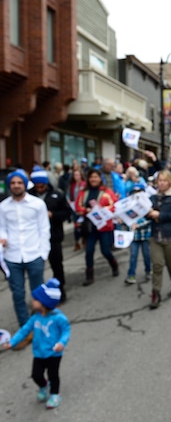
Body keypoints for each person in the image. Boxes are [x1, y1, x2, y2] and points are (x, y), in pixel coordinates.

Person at [3, 278, 70, 410]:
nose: (32, 301)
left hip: (54, 353)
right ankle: (43, 386)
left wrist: (61, 343)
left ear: (45, 303)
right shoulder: (35, 318)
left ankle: (55, 394)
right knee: (36, 375)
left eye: (35, 299)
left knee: (53, 375)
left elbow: (66, 332)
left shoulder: (59, 318)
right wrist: (12, 342)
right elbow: (24, 331)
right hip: (39, 352)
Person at [0, 169, 51, 335]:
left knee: (38, 294)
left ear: (25, 184)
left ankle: (39, 324)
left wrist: (43, 253)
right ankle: (25, 329)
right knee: (18, 294)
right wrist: (3, 237)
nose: (16, 186)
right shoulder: (3, 206)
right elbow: (2, 228)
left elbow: (44, 229)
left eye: (19, 182)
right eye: (13, 183)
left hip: (34, 254)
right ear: (9, 186)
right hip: (12, 257)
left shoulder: (37, 204)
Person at [29, 170, 72, 302]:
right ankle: (39, 294)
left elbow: (67, 213)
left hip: (53, 236)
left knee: (56, 265)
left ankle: (60, 290)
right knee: (36, 268)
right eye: (38, 186)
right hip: (33, 237)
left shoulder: (57, 195)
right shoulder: (28, 196)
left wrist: (53, 215)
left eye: (43, 185)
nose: (40, 188)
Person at [146, 170, 171, 309]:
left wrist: (159, 214)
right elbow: (147, 213)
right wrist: (147, 213)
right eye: (159, 180)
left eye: (164, 180)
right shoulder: (153, 198)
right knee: (157, 265)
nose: (161, 183)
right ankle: (156, 293)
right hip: (156, 236)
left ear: (169, 182)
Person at [75, 168, 119, 286]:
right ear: (88, 179)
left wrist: (102, 210)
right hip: (90, 227)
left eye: (96, 177)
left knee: (105, 251)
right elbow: (77, 208)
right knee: (89, 251)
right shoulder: (83, 192)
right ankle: (89, 275)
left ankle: (114, 264)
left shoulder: (107, 191)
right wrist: (87, 210)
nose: (94, 179)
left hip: (104, 226)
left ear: (100, 179)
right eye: (91, 177)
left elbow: (114, 206)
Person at [123, 183, 152, 284]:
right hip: (133, 236)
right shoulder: (128, 206)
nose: (137, 195)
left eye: (139, 192)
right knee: (133, 255)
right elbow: (125, 218)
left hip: (145, 234)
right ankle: (131, 275)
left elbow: (150, 219)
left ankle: (148, 271)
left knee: (147, 254)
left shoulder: (148, 205)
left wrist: (138, 224)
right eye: (134, 192)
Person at [68, 168, 86, 251]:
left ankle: (84, 239)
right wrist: (68, 200)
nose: (76, 176)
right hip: (74, 208)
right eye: (75, 175)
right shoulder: (72, 185)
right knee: (76, 226)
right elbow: (68, 194)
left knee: (83, 225)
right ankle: (77, 242)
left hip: (82, 208)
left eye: (78, 175)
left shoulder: (84, 184)